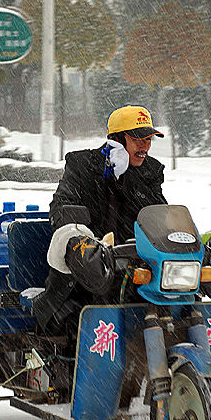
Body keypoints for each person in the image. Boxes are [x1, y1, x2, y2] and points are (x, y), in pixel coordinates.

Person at [33, 105, 168, 332]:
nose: (145, 146)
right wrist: (79, 241)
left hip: (136, 269)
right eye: (138, 139)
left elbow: (158, 214)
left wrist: (126, 179)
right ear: (116, 138)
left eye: (149, 139)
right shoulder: (82, 165)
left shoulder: (149, 172)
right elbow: (60, 209)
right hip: (90, 270)